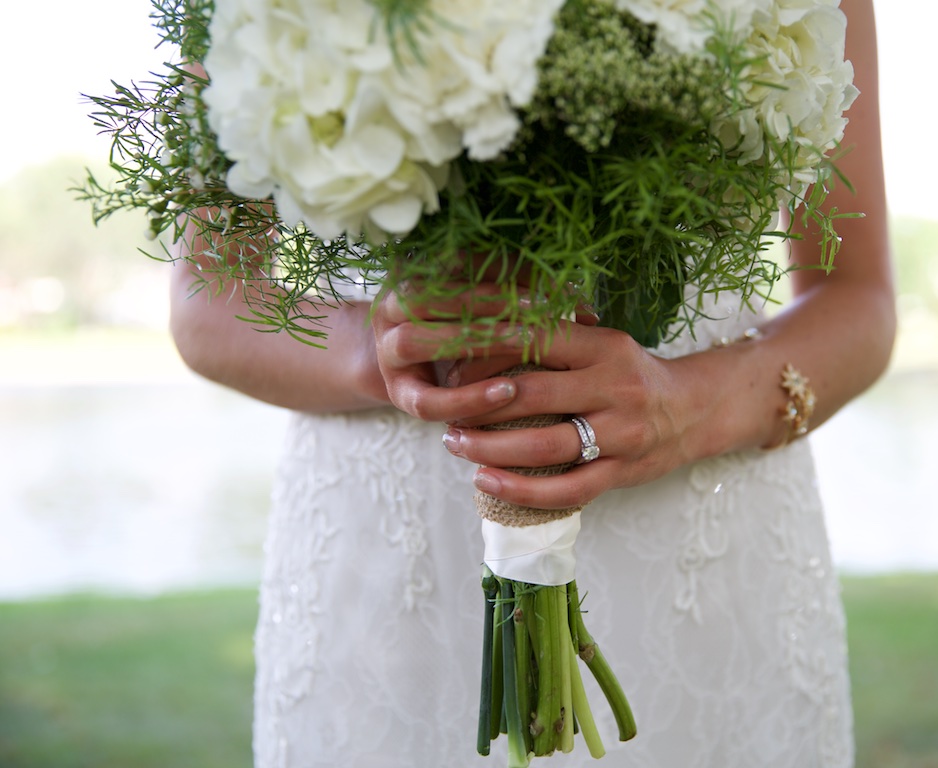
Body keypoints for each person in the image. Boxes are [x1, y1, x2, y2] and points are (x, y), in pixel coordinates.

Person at [169, 1, 893, 765]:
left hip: (707, 551)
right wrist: (379, 351)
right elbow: (210, 305)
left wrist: (693, 408)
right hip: (390, 573)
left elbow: (857, 299)